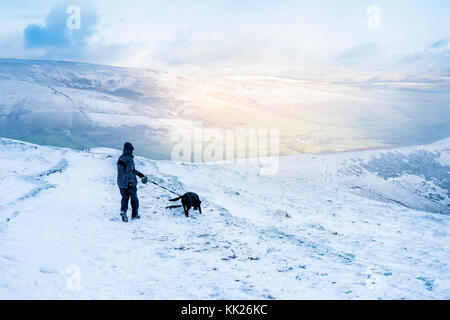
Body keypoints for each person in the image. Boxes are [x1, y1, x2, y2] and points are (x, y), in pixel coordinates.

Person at [117, 142, 148, 222]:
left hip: (121, 183)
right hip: (129, 183)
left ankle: (123, 211)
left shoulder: (121, 158)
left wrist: (140, 174)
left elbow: (128, 170)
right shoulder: (129, 159)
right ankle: (134, 215)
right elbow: (129, 171)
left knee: (124, 198)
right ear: (130, 150)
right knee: (134, 199)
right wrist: (131, 182)